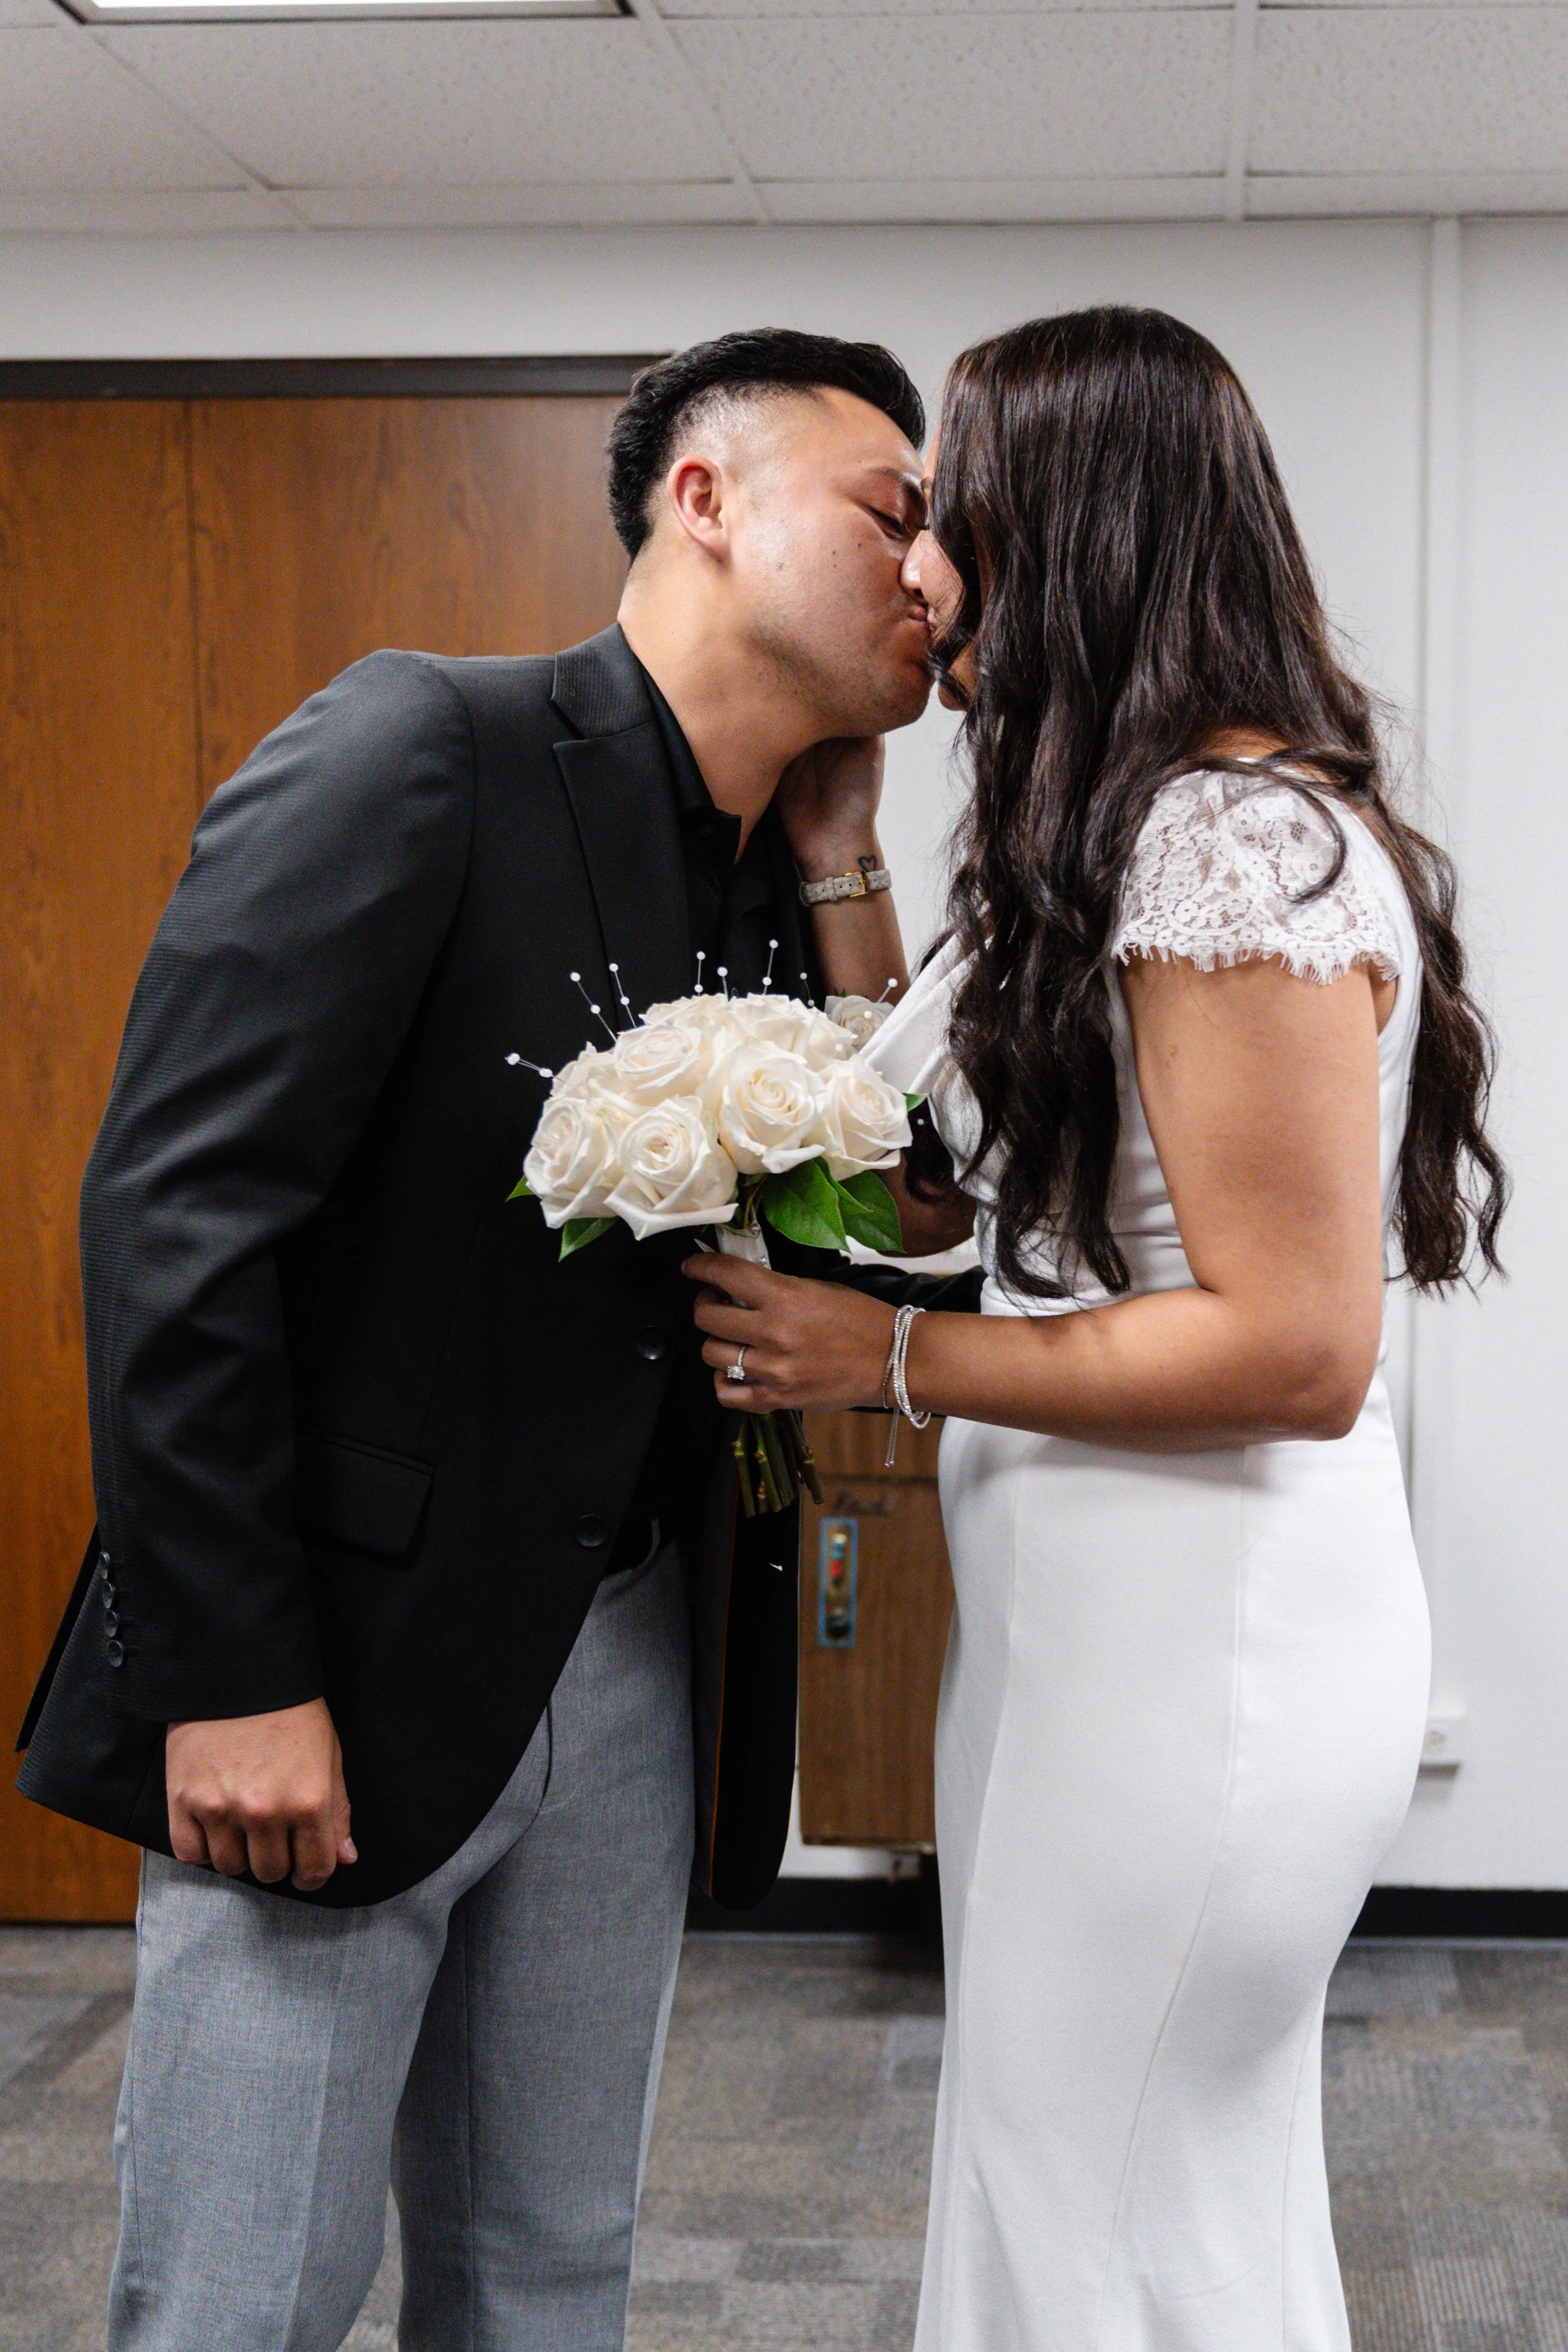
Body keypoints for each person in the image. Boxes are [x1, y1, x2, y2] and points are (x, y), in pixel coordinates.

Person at [15, 327, 935, 2352]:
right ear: (704, 498)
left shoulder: (777, 877)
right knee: (244, 2302)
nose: (932, 574)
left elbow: (913, 1217)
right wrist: (232, 1672)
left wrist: (849, 861)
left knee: (549, 2277)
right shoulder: (421, 744)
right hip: (333, 1665)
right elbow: (175, 1214)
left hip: (625, 1661)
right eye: (896, 509)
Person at [685, 307, 1508, 2351]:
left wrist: (876, 1362)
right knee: (1126, 2177)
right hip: (1086, 1636)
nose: (920, 559)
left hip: (1195, 1642)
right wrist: (837, 864)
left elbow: (1293, 1350)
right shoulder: (1126, 829)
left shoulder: (1233, 843)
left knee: (1087, 2178)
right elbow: (961, 1173)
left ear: (1074, 520)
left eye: (950, 506)